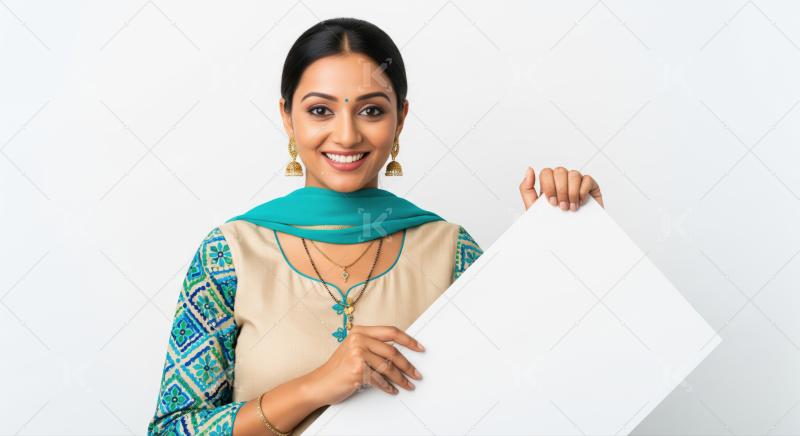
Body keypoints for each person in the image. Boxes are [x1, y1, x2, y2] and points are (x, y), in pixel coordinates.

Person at [147, 17, 604, 436]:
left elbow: (530, 397)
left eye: (371, 110)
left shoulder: (449, 252)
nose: (346, 135)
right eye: (320, 111)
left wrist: (561, 242)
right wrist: (315, 387)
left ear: (400, 119)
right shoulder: (230, 255)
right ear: (287, 117)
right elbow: (170, 431)